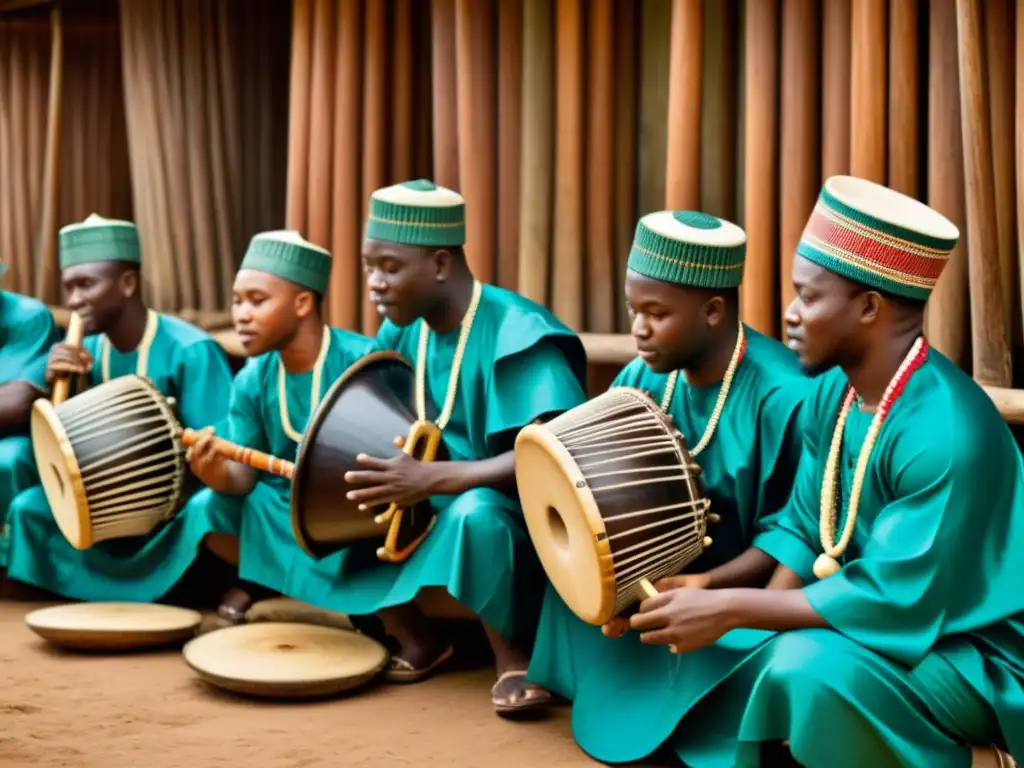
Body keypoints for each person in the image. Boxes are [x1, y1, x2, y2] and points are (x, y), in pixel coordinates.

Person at [593, 176, 1024, 767]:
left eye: (809, 298)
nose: (790, 316)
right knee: (733, 652)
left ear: (870, 307)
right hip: (863, 623)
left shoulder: (947, 433)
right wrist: (709, 591)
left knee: (799, 666)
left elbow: (892, 597)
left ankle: (976, 752)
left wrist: (737, 611)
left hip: (965, 652)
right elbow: (803, 529)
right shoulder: (836, 396)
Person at [525, 209, 810, 753]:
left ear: (712, 311)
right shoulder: (642, 377)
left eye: (656, 313)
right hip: (664, 584)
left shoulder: (786, 396)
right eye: (635, 309)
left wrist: (710, 588)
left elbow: (793, 535)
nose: (638, 329)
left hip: (744, 594)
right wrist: (625, 581)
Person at [316, 179, 588, 715]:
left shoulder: (519, 330)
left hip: (515, 518)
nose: (374, 283)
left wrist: (433, 480)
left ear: (440, 264)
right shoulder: (401, 333)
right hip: (426, 500)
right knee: (344, 491)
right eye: (369, 266)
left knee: (475, 515)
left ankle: (514, 656)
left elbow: (557, 459)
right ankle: (418, 636)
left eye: (389, 267)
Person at [5, 213, 236, 603]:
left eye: (85, 285)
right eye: (68, 289)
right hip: (105, 508)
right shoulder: (89, 350)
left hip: (171, 510)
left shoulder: (192, 350)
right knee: (29, 508)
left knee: (207, 511)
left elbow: (222, 445)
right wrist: (56, 385)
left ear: (128, 283)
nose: (74, 302)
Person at [186, 229, 373, 622]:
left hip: (354, 504)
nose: (241, 314)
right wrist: (213, 471)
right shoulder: (253, 377)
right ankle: (271, 580)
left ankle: (348, 596)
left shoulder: (362, 359)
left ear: (303, 302)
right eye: (237, 301)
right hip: (280, 503)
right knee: (213, 507)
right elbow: (245, 479)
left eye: (257, 300)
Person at [0, 259, 62, 566]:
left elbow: (18, 405)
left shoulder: (30, 318)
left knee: (9, 458)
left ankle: (15, 568)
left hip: (18, 439)